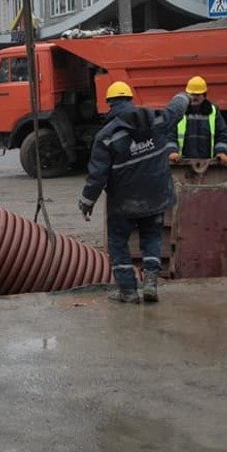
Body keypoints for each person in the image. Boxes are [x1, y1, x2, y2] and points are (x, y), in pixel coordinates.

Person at [78, 81, 189, 304]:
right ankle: (150, 282)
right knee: (152, 236)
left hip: (124, 202)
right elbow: (176, 110)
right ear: (130, 99)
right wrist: (183, 95)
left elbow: (97, 175)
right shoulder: (154, 120)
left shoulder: (106, 136)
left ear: (109, 104)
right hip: (156, 195)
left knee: (118, 242)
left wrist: (86, 202)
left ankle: (128, 291)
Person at [167, 76, 227, 164]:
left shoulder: (212, 111)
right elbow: (169, 133)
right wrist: (172, 151)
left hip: (208, 163)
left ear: (204, 95)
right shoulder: (180, 111)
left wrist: (221, 152)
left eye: (198, 95)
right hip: (182, 163)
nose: (194, 97)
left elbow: (222, 132)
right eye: (192, 94)